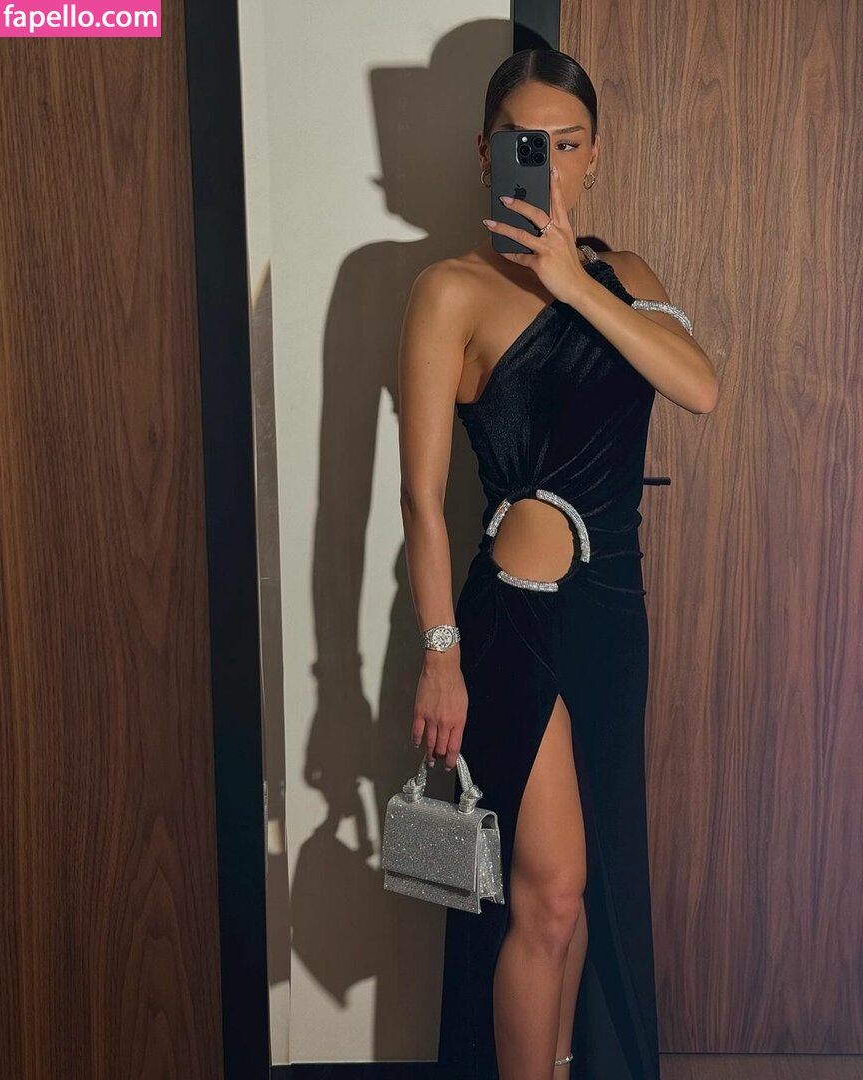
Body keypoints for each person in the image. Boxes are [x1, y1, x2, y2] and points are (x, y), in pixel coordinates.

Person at [396, 47, 718, 1080]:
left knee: (587, 892)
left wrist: (575, 282)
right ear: (486, 152)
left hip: (613, 613)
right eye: (524, 141)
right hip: (510, 623)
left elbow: (700, 389)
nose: (547, 159)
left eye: (566, 143)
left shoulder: (630, 280)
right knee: (549, 891)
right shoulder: (448, 291)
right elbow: (419, 498)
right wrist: (439, 653)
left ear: (593, 157)